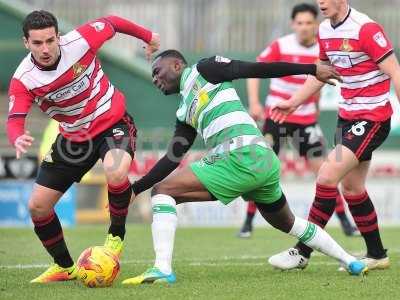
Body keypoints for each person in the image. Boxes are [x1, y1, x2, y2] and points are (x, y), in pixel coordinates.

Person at [121, 50, 367, 285]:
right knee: (288, 223)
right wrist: (135, 188)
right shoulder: (185, 111)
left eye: (157, 71)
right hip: (262, 160)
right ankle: (350, 261)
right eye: (152, 75)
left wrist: (311, 69)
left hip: (242, 155)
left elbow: (256, 69)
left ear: (176, 65)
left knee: (163, 192)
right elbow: (172, 158)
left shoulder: (205, 69)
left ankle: (162, 269)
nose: (155, 78)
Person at [7, 10, 160, 283]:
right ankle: (64, 267)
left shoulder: (79, 41)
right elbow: (15, 117)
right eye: (38, 43)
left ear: (58, 36)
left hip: (113, 121)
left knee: (116, 173)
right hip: (73, 138)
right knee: (38, 207)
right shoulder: (24, 78)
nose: (46, 49)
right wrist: (17, 136)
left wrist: (149, 37)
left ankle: (115, 237)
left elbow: (113, 22)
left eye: (50, 40)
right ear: (26, 43)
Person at [269, 0, 400, 271]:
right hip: (346, 120)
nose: (321, 2)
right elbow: (320, 74)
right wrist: (293, 101)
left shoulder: (365, 29)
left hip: (372, 118)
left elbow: (395, 71)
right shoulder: (325, 31)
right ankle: (377, 254)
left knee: (327, 176)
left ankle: (302, 251)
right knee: (351, 188)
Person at [239, 3, 357, 238]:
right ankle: (248, 222)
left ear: (316, 24)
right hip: (277, 117)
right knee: (262, 169)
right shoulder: (281, 45)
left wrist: (314, 106)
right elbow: (254, 70)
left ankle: (345, 222)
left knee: (325, 171)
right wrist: (254, 102)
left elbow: (322, 82)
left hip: (305, 120)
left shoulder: (324, 49)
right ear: (293, 24)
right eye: (299, 23)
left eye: (308, 23)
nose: (304, 28)